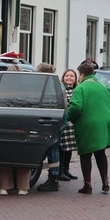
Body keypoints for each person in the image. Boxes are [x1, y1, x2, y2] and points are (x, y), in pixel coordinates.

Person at [66, 61, 110, 194]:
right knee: (100, 152)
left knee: (85, 153)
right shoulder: (103, 85)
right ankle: (105, 182)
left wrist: (69, 117)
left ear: (82, 74)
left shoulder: (81, 88)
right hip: (106, 122)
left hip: (89, 123)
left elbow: (76, 107)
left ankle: (87, 185)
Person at [0, 65, 30, 195]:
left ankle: (4, 187)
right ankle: (23, 187)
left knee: (6, 156)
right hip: (21, 125)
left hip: (5, 126)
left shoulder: (2, 87)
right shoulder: (26, 90)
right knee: (23, 156)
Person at [36, 62, 62, 192]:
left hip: (51, 121)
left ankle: (53, 179)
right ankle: (54, 177)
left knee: (52, 150)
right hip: (56, 120)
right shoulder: (56, 83)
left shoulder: (49, 85)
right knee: (54, 149)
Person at [58, 69, 79, 180]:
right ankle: (60, 171)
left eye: (72, 76)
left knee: (70, 148)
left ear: (75, 78)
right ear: (63, 77)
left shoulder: (77, 90)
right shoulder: (61, 89)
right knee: (62, 148)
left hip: (73, 125)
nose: (69, 78)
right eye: (67, 76)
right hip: (64, 123)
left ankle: (66, 170)